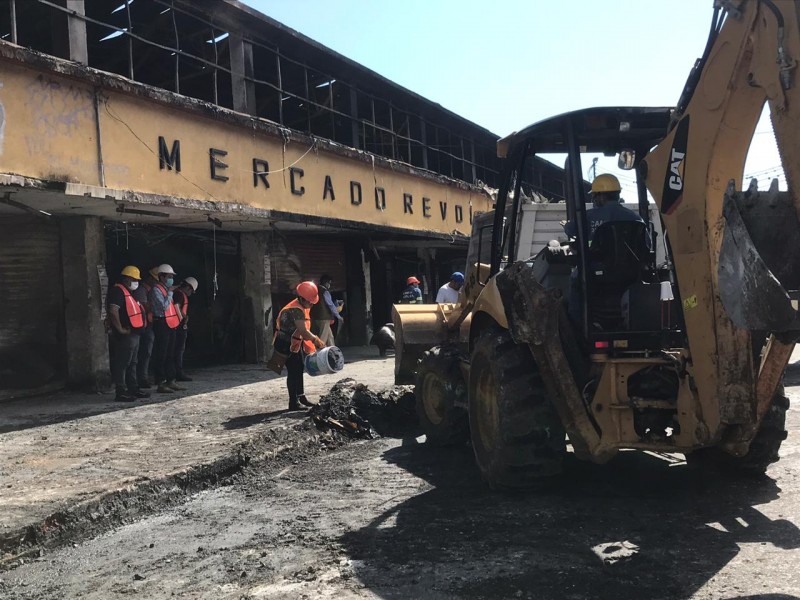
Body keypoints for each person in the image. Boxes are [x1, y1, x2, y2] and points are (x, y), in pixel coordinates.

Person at [274, 281, 326, 411]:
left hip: (293, 343)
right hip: (286, 344)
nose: (311, 305)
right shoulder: (296, 310)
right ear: (303, 298)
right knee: (293, 371)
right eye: (310, 302)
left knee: (298, 368)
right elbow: (303, 331)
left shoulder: (299, 306)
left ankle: (301, 397)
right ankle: (293, 402)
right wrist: (316, 340)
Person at [107, 266, 149, 402]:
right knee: (123, 362)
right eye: (134, 279)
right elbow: (113, 310)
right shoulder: (118, 291)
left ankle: (133, 388)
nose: (136, 282)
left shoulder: (127, 292)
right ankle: (121, 391)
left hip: (134, 333)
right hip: (126, 334)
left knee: (132, 362)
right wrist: (120, 329)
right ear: (126, 278)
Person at [563, 173, 642, 239]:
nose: (594, 199)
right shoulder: (635, 218)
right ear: (618, 194)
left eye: (594, 195)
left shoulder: (588, 216)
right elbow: (647, 244)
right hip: (630, 258)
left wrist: (566, 225)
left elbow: (571, 229)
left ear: (600, 195)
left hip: (596, 258)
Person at [148, 263, 184, 394]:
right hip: (161, 323)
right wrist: (169, 293)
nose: (171, 279)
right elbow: (163, 306)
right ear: (161, 277)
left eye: (172, 276)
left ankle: (171, 380)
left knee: (170, 353)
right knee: (161, 354)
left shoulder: (166, 290)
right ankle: (161, 382)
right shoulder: (156, 290)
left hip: (170, 324)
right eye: (169, 276)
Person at [135, 266, 159, 389]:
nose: (156, 283)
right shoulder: (141, 290)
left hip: (148, 324)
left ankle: (144, 376)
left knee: (147, 352)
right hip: (142, 326)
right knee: (143, 352)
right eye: (155, 280)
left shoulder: (150, 291)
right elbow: (145, 308)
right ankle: (141, 378)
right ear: (150, 278)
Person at [172, 277, 198, 382]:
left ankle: (177, 372)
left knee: (178, 350)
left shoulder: (178, 294)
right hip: (178, 326)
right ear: (188, 287)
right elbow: (176, 306)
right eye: (191, 290)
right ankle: (178, 373)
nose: (191, 292)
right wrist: (183, 317)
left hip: (178, 325)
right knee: (178, 350)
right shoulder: (179, 294)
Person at [310, 274, 343, 347]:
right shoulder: (325, 292)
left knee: (329, 336)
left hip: (315, 317)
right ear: (326, 282)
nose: (329, 285)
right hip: (324, 318)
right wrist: (338, 316)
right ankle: (320, 353)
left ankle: (332, 350)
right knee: (323, 337)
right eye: (329, 283)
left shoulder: (315, 290)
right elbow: (330, 305)